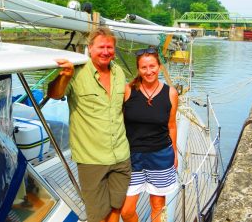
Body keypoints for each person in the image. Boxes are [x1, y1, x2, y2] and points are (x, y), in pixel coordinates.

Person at [47, 27, 131, 222]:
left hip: (121, 155)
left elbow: (124, 108)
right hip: (91, 159)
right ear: (90, 48)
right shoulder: (76, 71)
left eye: (110, 47)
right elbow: (54, 94)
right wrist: (64, 76)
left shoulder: (118, 72)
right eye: (101, 46)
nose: (106, 51)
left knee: (116, 208)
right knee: (97, 216)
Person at [121, 48, 179, 222]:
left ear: (159, 67)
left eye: (152, 66)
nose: (149, 71)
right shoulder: (127, 91)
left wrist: (174, 153)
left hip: (160, 155)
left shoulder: (171, 93)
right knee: (126, 211)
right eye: (144, 67)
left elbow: (172, 125)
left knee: (157, 207)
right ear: (138, 69)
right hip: (132, 157)